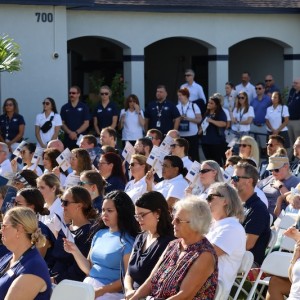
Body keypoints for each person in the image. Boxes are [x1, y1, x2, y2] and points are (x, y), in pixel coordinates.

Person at [130, 196, 218, 300]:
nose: (173, 223)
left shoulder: (204, 255)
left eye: (178, 220)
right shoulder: (173, 245)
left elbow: (184, 296)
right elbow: (150, 281)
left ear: (196, 224)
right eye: (173, 218)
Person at [64, 190, 139, 300]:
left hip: (111, 293)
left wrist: (102, 290)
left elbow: (128, 278)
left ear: (121, 212)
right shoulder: (99, 234)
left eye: (110, 210)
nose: (104, 214)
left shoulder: (129, 241)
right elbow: (89, 268)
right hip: (89, 288)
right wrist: (74, 251)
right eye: (103, 210)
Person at [124, 191, 175, 298]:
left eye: (142, 215)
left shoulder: (171, 242)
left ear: (158, 213)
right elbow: (129, 273)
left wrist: (135, 296)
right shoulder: (140, 237)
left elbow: (155, 281)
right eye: (137, 216)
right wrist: (128, 290)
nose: (139, 220)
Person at [0, 207, 52, 299]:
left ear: (19, 229)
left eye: (4, 226)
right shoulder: (9, 257)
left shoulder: (34, 267)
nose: (1, 230)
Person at [206, 182, 246, 298]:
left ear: (225, 201)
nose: (206, 201)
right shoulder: (213, 225)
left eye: (210, 197)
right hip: (199, 280)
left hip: (211, 288)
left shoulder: (232, 229)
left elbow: (205, 255)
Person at [49, 186, 97, 283]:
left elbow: (79, 270)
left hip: (67, 285)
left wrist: (55, 280)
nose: (62, 206)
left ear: (79, 206)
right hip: (52, 278)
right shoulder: (66, 228)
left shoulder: (89, 232)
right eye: (62, 201)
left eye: (65, 202)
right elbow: (54, 258)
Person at [231, 162, 270, 266]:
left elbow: (248, 244)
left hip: (246, 263)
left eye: (236, 178)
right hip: (234, 257)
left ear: (249, 181)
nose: (232, 181)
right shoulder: (241, 205)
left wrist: (223, 250)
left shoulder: (258, 209)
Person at [14, 188, 56, 262]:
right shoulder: (18, 225)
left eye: (19, 204)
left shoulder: (42, 230)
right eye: (14, 203)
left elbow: (36, 261)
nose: (14, 206)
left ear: (31, 207)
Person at [199, 95, 227, 166]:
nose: (209, 104)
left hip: (216, 142)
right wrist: (200, 130)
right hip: (205, 141)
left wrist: (211, 121)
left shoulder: (220, 113)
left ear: (216, 105)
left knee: (217, 162)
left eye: (211, 103)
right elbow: (203, 124)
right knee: (208, 161)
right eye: (208, 102)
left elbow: (223, 123)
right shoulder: (206, 113)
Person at [176, 88, 201, 161]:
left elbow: (199, 120)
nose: (179, 97)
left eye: (181, 95)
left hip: (192, 135)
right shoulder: (177, 107)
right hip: (181, 135)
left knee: (193, 155)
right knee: (182, 155)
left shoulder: (194, 106)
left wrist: (188, 119)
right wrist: (180, 118)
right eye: (178, 96)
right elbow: (174, 120)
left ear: (186, 95)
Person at [37, 173, 64, 238]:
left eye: (42, 188)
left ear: (53, 188)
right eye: (38, 188)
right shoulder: (43, 207)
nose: (39, 191)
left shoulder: (61, 210)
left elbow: (60, 240)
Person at [250, 82, 271, 153]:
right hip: (253, 125)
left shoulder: (268, 100)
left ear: (264, 89)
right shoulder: (253, 101)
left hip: (263, 125)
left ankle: (264, 162)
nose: (257, 90)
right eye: (256, 88)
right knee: (253, 146)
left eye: (259, 88)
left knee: (264, 147)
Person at [287, 78, 300, 149]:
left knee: (297, 141)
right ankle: (290, 158)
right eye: (294, 83)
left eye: (296, 83)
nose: (294, 84)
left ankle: (297, 158)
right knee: (290, 141)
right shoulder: (292, 91)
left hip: (297, 121)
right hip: (289, 120)